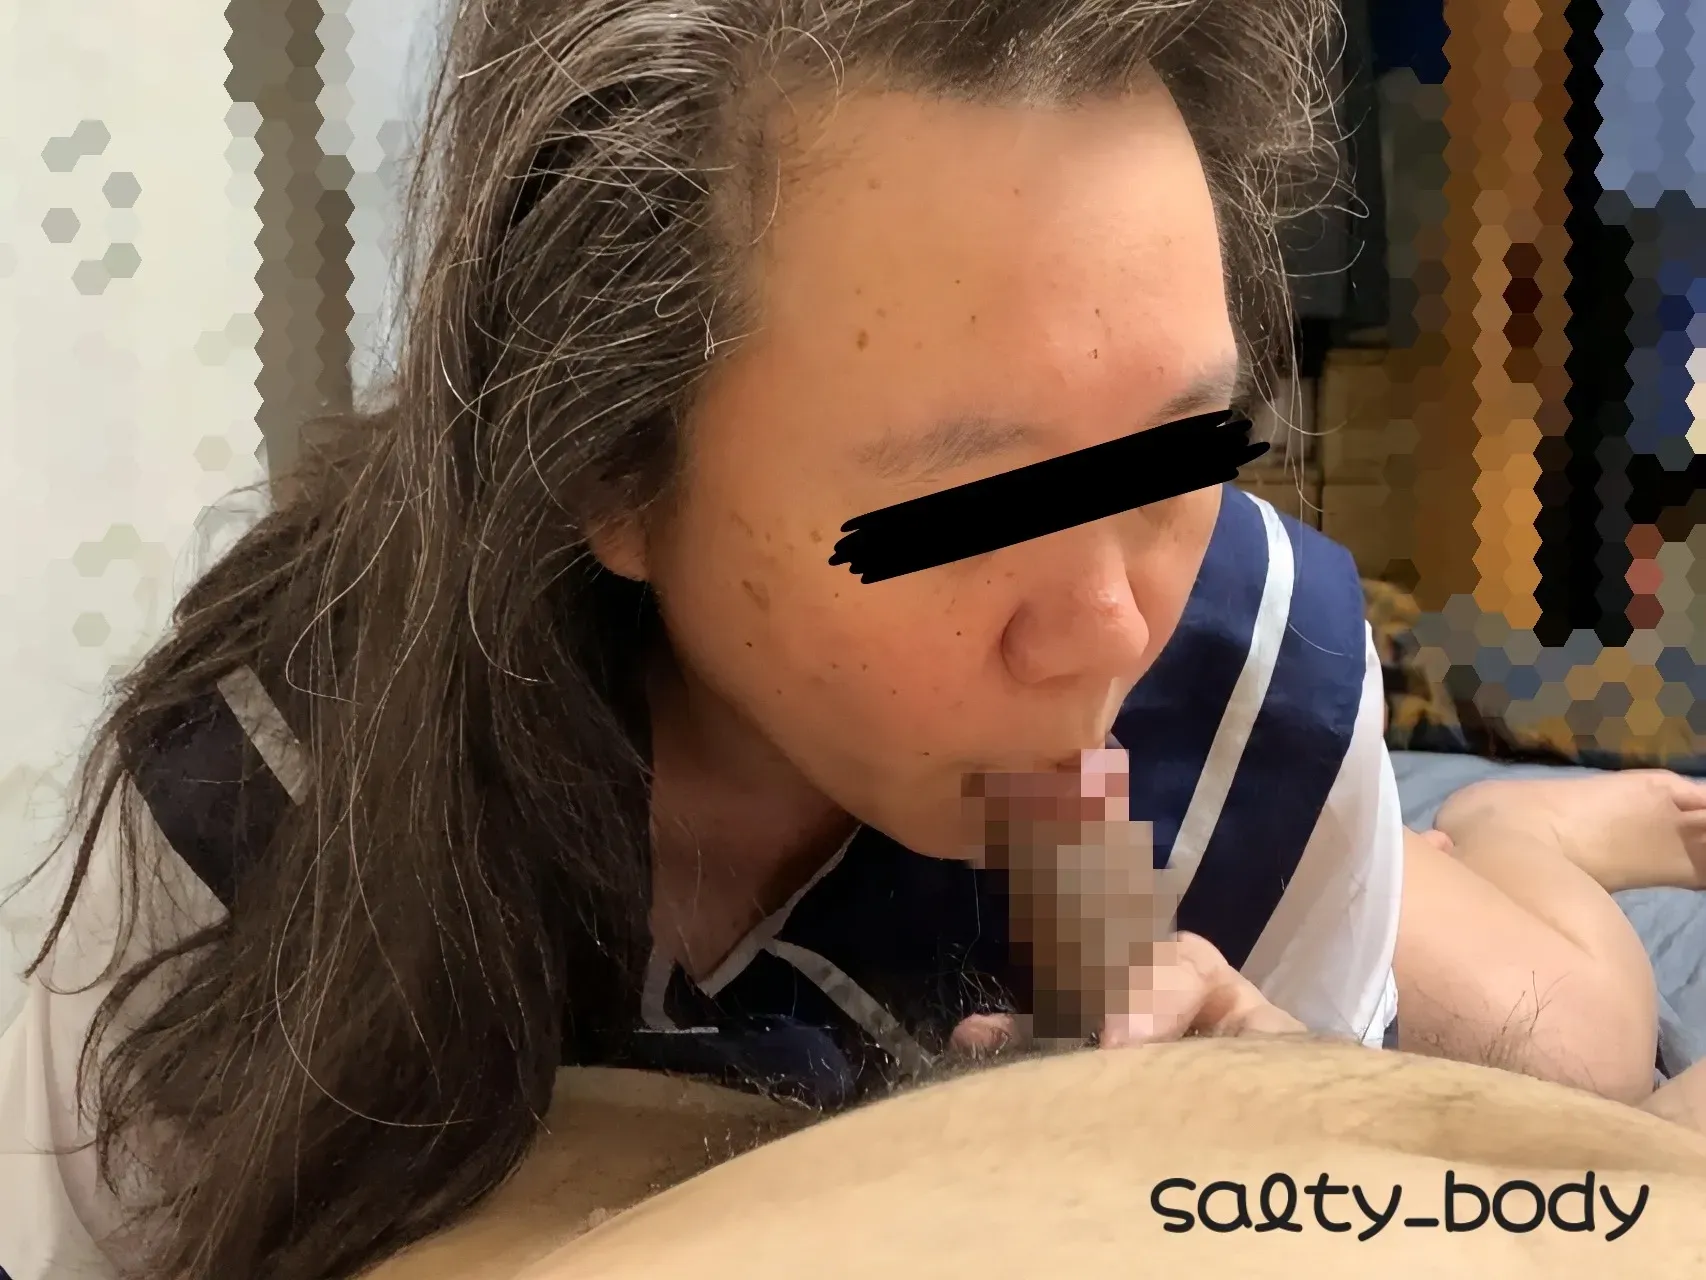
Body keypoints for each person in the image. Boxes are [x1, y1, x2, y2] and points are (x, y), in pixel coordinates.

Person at [0, 2, 1676, 1278]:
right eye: (968, 505)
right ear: (608, 468)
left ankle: (1525, 836)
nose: (1109, 627)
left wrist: (1284, 1139)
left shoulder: (1241, 698)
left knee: (1572, 1044)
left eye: (1175, 449)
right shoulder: (260, 812)